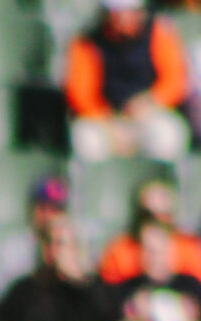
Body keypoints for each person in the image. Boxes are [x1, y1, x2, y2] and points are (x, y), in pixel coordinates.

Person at [65, 3, 190, 163]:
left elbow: (175, 80)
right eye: (118, 12)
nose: (125, 17)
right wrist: (109, 123)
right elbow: (81, 95)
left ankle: (158, 179)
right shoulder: (87, 41)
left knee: (167, 135)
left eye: (132, 11)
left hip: (149, 112)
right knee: (86, 140)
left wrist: (151, 101)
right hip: (106, 119)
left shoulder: (158, 32)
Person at [0, 212, 110, 321]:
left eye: (60, 244)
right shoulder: (24, 292)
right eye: (49, 242)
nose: (52, 251)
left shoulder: (92, 292)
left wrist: (78, 281)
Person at [100, 176, 201, 287]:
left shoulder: (189, 249)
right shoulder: (119, 251)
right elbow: (107, 291)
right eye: (148, 215)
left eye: (163, 215)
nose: (156, 222)